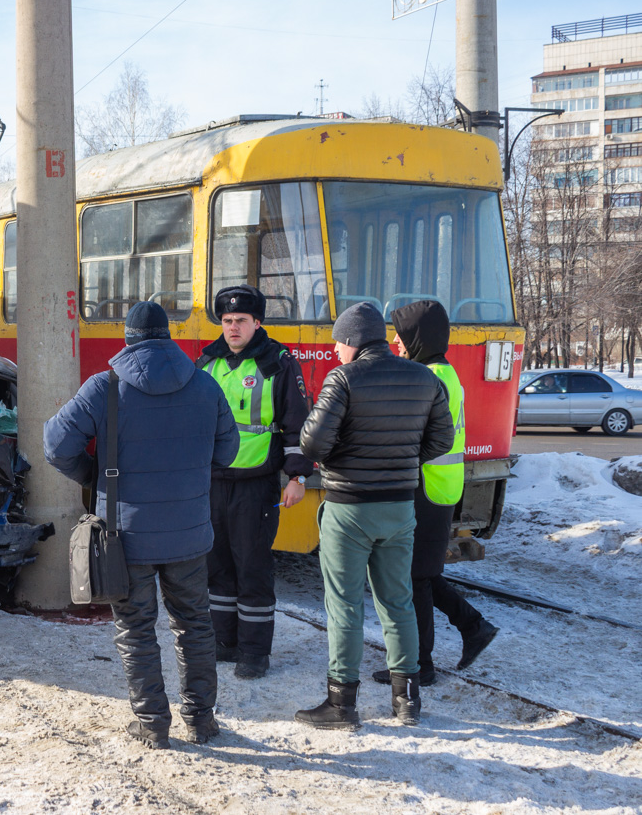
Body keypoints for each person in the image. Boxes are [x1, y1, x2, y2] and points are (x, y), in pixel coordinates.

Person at [44, 302, 239, 749]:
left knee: (136, 628)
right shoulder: (206, 385)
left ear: (128, 338)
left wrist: (92, 474)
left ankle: (153, 723)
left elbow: (55, 445)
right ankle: (202, 720)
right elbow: (227, 453)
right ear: (167, 337)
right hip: (190, 532)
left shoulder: (104, 388)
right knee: (195, 623)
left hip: (124, 537)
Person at [295, 301, 453, 730]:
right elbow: (442, 438)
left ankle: (341, 705)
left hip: (349, 509)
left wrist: (352, 461)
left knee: (344, 605)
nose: (335, 353)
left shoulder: (343, 379)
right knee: (397, 600)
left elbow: (312, 445)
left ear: (350, 341)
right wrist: (399, 462)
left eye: (337, 345)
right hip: (400, 507)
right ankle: (407, 701)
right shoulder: (423, 376)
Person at [366, 300, 498, 686]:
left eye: (401, 334)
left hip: (426, 488)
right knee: (421, 572)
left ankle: (420, 666)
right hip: (440, 486)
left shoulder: (426, 378)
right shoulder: (444, 372)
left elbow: (410, 434)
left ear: (417, 338)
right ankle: (473, 626)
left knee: (414, 577)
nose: (394, 341)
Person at [196, 285, 314, 680]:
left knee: (253, 567)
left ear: (257, 322)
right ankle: (223, 642)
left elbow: (298, 423)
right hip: (213, 481)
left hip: (256, 483)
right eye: (227, 321)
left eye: (240, 321)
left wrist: (297, 476)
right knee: (218, 566)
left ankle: (254, 652)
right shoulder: (208, 362)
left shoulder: (277, 362)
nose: (232, 328)